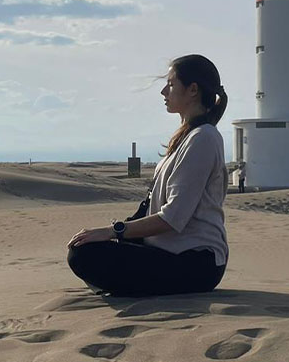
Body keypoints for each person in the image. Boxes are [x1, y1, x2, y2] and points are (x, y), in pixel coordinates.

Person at [67, 54, 229, 297]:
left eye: (171, 84)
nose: (164, 91)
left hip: (196, 262)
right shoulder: (188, 137)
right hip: (169, 252)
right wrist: (115, 233)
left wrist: (114, 231)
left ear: (193, 90)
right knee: (87, 245)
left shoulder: (203, 138)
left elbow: (173, 218)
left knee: (84, 255)